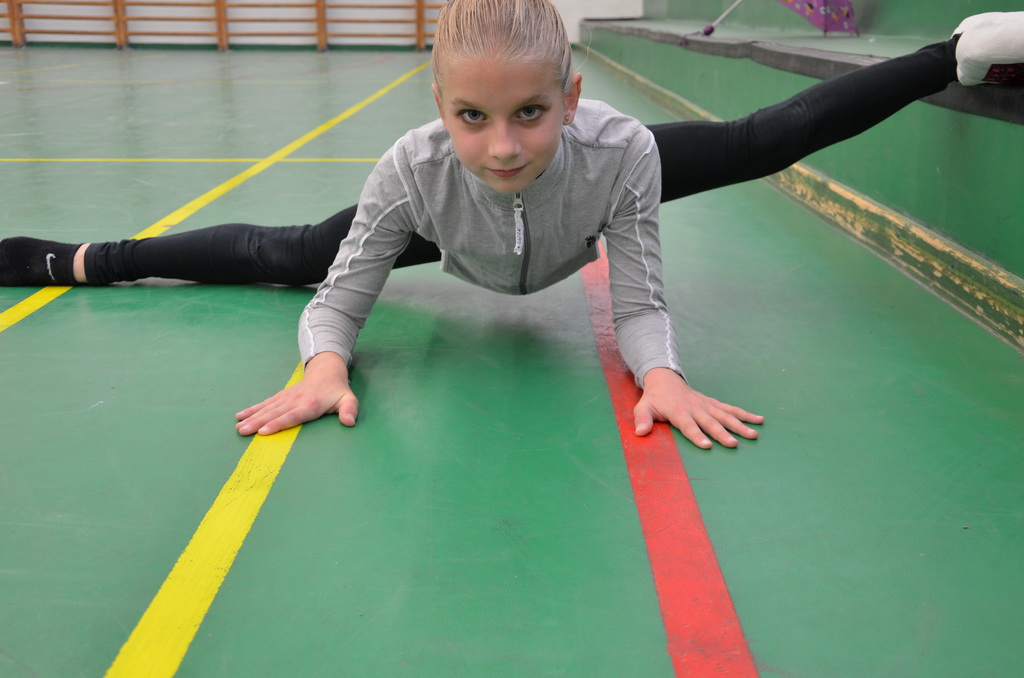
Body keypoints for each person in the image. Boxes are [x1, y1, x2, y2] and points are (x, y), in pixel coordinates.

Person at [1, 4, 1020, 449]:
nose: (501, 146)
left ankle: (955, 50)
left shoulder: (620, 152)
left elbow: (639, 301)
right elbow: (340, 298)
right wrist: (324, 364)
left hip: (581, 198)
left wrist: (661, 376)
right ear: (439, 109)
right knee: (290, 253)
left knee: (760, 139)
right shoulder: (416, 169)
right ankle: (85, 258)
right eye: (472, 117)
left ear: (569, 98)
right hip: (453, 231)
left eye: (529, 111)